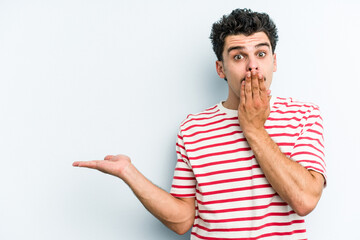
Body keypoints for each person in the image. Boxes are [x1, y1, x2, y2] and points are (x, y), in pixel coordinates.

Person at [73, 8, 326, 239]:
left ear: (274, 61)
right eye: (238, 57)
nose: (252, 66)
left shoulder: (304, 116)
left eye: (261, 53)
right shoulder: (193, 129)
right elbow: (183, 220)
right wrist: (128, 173)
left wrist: (254, 129)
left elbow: (304, 201)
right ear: (221, 69)